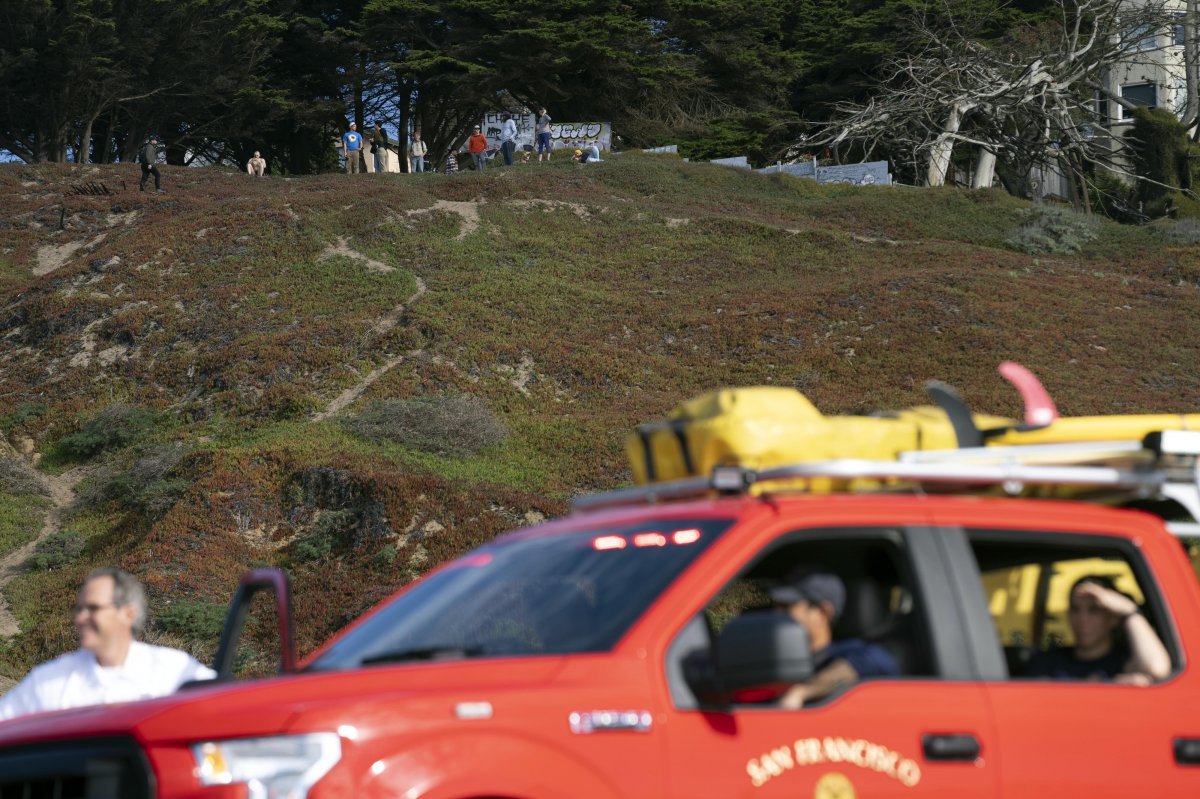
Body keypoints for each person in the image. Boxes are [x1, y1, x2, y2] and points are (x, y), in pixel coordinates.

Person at [0, 568, 215, 721]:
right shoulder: (49, 681)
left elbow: (224, 708)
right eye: (79, 609)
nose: (80, 618)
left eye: (93, 609)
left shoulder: (174, 671)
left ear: (128, 613)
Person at [769, 569, 899, 709]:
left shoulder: (851, 652)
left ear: (823, 612)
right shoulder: (771, 658)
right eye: (776, 606)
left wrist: (802, 692)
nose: (776, 613)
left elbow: (875, 662)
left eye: (787, 606)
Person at [1027, 575, 1171, 683]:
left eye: (1094, 610)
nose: (1082, 619)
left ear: (1113, 619)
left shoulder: (1125, 662)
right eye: (1075, 609)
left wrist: (1129, 612)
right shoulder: (1047, 662)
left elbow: (1156, 669)